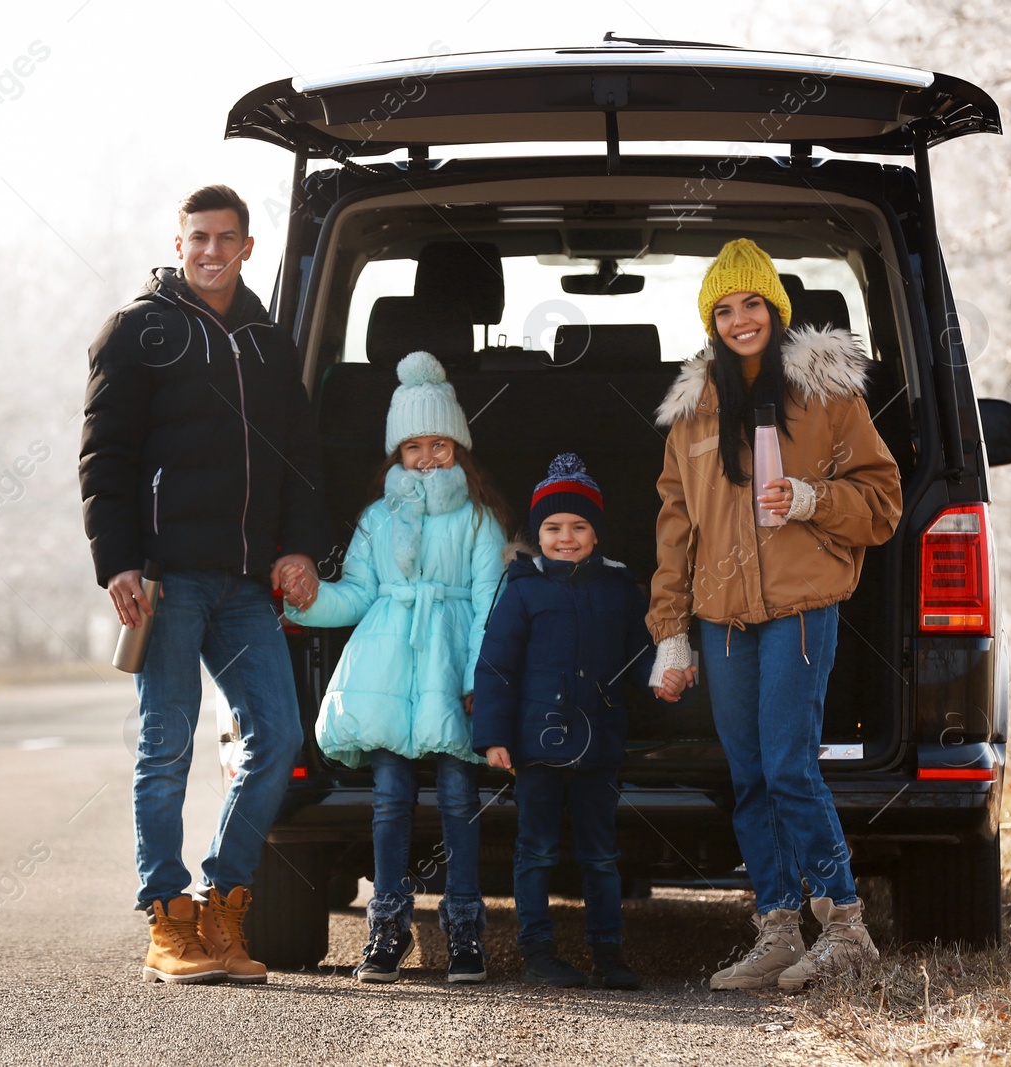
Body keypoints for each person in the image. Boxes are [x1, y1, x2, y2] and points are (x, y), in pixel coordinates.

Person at [79, 184, 330, 984]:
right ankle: (166, 918)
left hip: (249, 580)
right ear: (179, 242)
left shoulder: (265, 336)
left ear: (248, 246)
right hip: (167, 578)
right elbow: (104, 457)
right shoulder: (137, 330)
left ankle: (224, 904)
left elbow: (300, 454)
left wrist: (303, 548)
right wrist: (118, 561)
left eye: (226, 238)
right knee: (165, 745)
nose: (212, 251)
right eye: (198, 238)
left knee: (281, 738)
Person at [646, 238, 902, 992]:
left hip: (797, 610)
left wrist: (813, 497)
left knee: (790, 764)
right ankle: (780, 927)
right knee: (751, 772)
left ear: (776, 308)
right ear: (710, 322)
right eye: (723, 309)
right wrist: (670, 632)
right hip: (723, 621)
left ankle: (847, 925)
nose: (739, 319)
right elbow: (675, 530)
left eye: (752, 303)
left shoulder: (825, 393)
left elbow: (883, 500)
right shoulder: (692, 416)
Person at [284, 350, 510, 984]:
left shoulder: (479, 520)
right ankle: (386, 927)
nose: (428, 457)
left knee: (460, 798)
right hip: (386, 671)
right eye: (414, 446)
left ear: (460, 448)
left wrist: (478, 680)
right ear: (397, 454)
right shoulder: (377, 520)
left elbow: (491, 602)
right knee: (389, 800)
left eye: (441, 443)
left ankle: (464, 929)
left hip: (451, 669)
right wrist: (310, 601)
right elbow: (357, 593)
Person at [472, 454, 658, 989]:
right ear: (539, 534)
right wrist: (492, 738)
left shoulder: (619, 589)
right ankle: (538, 950)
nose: (566, 537)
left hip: (599, 742)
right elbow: (496, 666)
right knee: (536, 850)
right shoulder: (523, 588)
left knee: (601, 854)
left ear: (596, 534)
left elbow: (638, 654)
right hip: (536, 745)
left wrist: (661, 677)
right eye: (553, 528)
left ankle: (609, 952)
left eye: (579, 526)